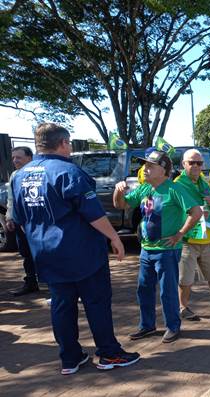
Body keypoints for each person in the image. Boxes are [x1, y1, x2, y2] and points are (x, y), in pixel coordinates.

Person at [12, 123, 139, 375]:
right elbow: (93, 213)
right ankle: (109, 353)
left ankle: (69, 358)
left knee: (61, 304)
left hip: (46, 254)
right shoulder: (68, 172)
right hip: (82, 253)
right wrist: (115, 237)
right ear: (63, 143)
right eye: (68, 143)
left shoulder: (20, 176)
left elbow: (21, 220)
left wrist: (40, 241)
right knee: (96, 302)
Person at [114, 150, 203, 343]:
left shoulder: (175, 189)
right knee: (144, 289)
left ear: (163, 170)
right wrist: (118, 191)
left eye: (150, 166)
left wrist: (180, 234)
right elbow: (121, 205)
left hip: (167, 251)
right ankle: (147, 325)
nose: (144, 169)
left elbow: (196, 212)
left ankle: (173, 326)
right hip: (146, 250)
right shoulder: (145, 189)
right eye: (145, 165)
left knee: (167, 290)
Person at [174, 149, 210, 321]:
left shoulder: (204, 184)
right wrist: (193, 214)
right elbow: (174, 211)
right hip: (188, 240)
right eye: (191, 162)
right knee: (185, 279)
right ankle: (182, 307)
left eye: (199, 163)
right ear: (183, 164)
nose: (196, 166)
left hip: (206, 239)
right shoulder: (178, 185)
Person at [6, 146, 38, 296]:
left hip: (38, 223)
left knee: (45, 253)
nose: (15, 161)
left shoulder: (38, 172)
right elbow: (11, 199)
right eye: (13, 158)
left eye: (18, 157)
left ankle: (56, 285)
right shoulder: (14, 176)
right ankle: (31, 283)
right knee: (26, 253)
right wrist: (10, 217)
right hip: (21, 222)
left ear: (29, 157)